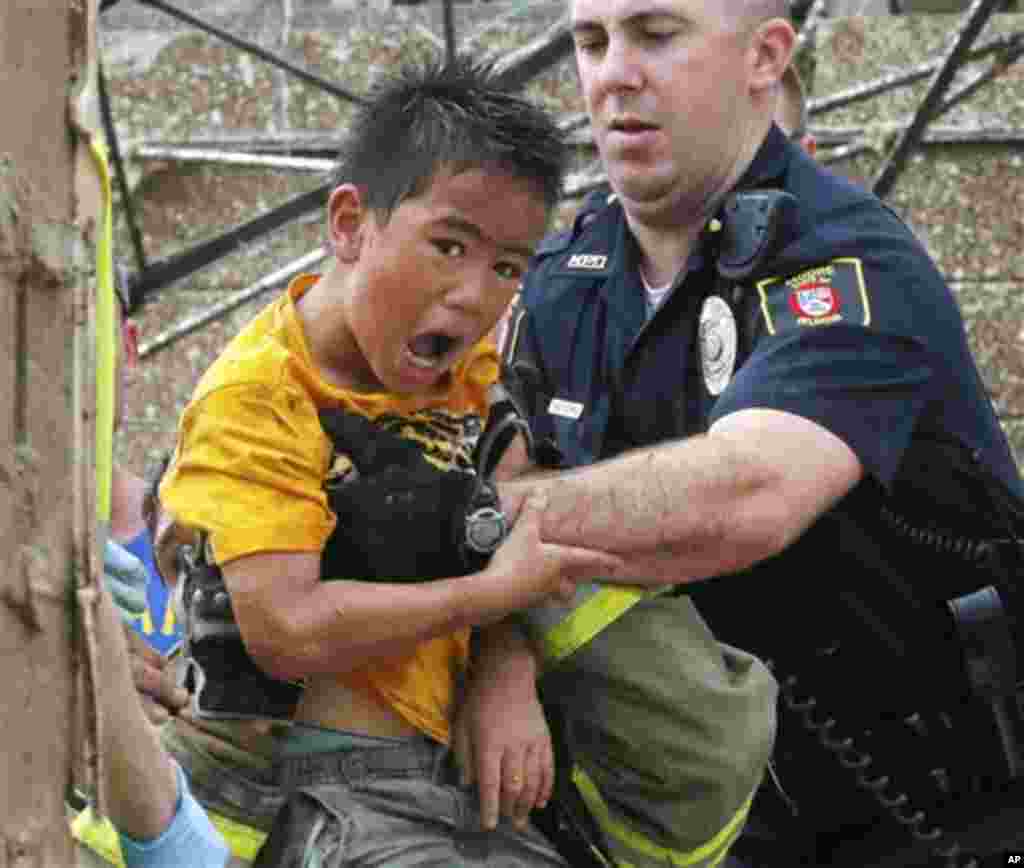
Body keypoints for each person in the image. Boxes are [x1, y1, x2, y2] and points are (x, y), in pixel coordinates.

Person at [320, 0, 1024, 865]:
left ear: (764, 57)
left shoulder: (849, 262)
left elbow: (745, 493)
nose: (614, 72)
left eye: (656, 34)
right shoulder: (558, 282)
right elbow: (512, 467)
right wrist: (502, 658)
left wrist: (449, 521)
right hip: (681, 821)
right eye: (591, 41)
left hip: (928, 819)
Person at [157, 56, 625, 868]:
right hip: (323, 790)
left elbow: (509, 501)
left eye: (508, 267)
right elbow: (288, 630)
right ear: (350, 224)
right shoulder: (260, 396)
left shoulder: (463, 375)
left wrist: (503, 664)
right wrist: (487, 594)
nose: (476, 294)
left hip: (456, 782)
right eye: (449, 245)